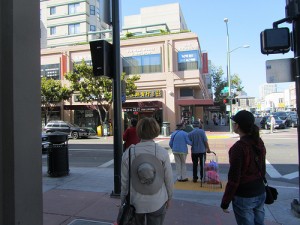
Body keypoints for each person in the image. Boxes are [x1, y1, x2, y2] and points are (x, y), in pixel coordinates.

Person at [120, 117, 173, 225]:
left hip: (135, 203)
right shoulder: (162, 152)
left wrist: (122, 201)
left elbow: (124, 181)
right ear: (156, 131)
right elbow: (168, 178)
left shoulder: (129, 153)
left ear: (139, 131)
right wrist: (169, 197)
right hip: (158, 200)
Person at [221, 110, 267, 225]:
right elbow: (263, 168)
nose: (233, 125)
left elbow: (234, 178)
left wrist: (225, 202)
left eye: (234, 122)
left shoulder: (239, 148)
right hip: (260, 191)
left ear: (238, 126)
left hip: (244, 195)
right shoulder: (258, 142)